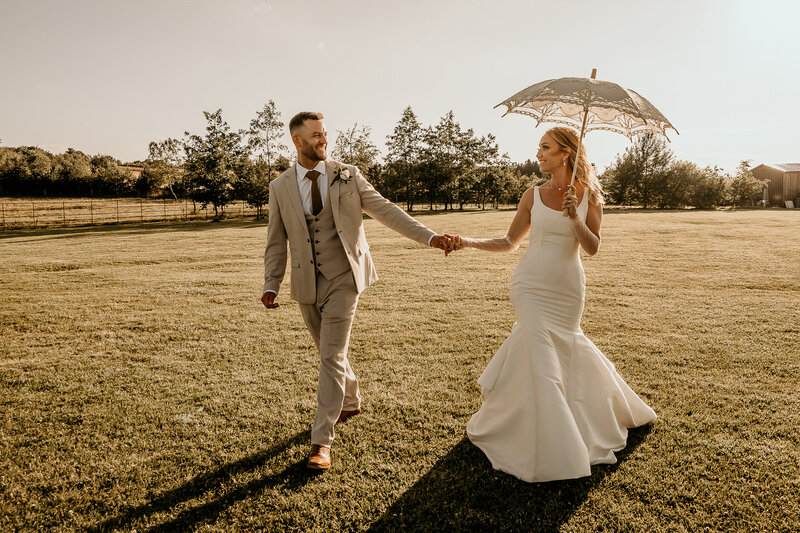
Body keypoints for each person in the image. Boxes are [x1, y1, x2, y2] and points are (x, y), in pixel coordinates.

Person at [449, 127, 656, 482]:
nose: (538, 154)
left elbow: (592, 248)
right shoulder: (532, 195)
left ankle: (586, 419)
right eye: (538, 148)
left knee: (561, 355)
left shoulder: (589, 196)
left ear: (566, 153)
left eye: (545, 148)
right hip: (529, 285)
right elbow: (509, 241)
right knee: (541, 360)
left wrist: (575, 216)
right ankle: (549, 443)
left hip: (566, 289)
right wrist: (466, 242)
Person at [261, 112, 453, 471]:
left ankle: (322, 442)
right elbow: (276, 240)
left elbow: (387, 211)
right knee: (328, 351)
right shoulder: (280, 186)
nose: (323, 140)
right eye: (315, 136)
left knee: (331, 355)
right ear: (297, 141)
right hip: (306, 282)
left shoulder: (347, 174)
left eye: (324, 134)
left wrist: (430, 237)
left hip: (345, 277)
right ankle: (349, 399)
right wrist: (271, 282)